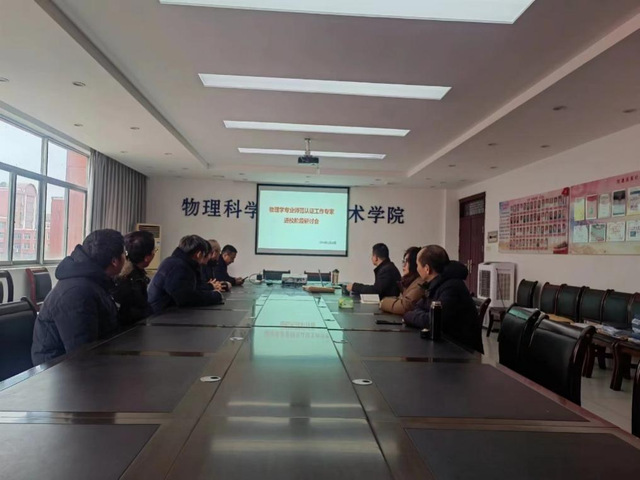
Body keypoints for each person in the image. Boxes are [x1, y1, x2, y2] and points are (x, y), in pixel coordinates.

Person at [31, 229, 126, 364]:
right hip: (56, 369)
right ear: (115, 261)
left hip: (83, 364)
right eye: (124, 254)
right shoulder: (77, 293)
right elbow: (82, 354)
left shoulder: (94, 282)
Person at [403, 245, 483, 353]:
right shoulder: (436, 283)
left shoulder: (451, 287)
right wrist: (416, 314)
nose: (417, 269)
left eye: (417, 265)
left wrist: (408, 316)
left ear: (427, 269)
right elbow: (418, 307)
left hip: (461, 353)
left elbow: (433, 321)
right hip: (446, 345)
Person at [148, 235, 224, 313]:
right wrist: (215, 296)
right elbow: (187, 298)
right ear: (199, 254)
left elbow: (194, 289)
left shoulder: (176, 262)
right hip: (161, 315)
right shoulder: (179, 267)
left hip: (166, 311)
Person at [112, 230, 156, 326]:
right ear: (147, 258)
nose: (154, 253)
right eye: (154, 250)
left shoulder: (123, 273)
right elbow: (138, 312)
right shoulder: (130, 281)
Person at [380, 246, 423, 315]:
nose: (404, 265)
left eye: (407, 261)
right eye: (403, 261)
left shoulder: (420, 283)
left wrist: (383, 302)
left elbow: (405, 306)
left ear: (415, 264)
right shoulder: (409, 281)